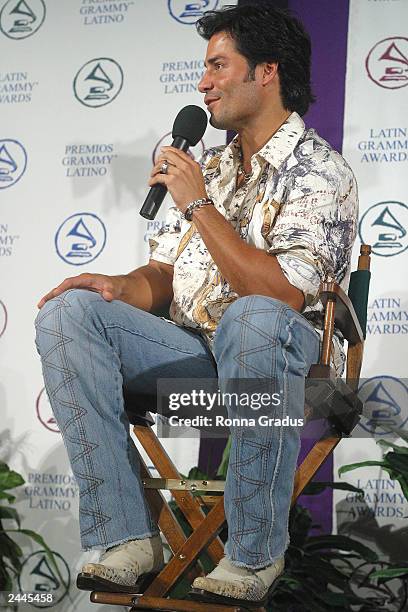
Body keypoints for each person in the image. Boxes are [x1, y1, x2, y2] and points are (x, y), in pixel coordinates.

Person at [35, 4, 358, 607]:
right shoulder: (210, 166)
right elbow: (163, 276)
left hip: (280, 367)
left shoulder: (319, 171)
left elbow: (283, 294)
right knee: (68, 313)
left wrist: (199, 207)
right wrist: (116, 285)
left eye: (217, 66)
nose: (203, 83)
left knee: (253, 316)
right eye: (203, 69)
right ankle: (125, 538)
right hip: (197, 357)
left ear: (267, 71)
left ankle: (254, 551)